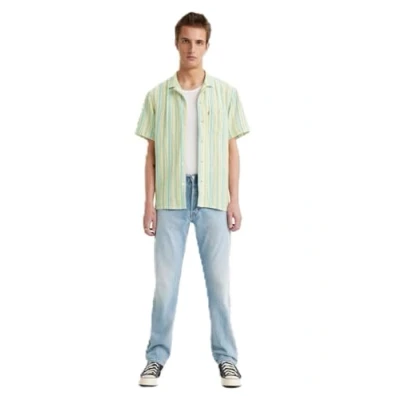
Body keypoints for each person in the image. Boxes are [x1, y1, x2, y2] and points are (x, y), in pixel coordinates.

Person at [134, 11, 250, 388]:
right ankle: (155, 358)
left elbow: (232, 151)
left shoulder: (226, 94)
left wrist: (235, 200)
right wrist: (148, 204)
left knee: (219, 285)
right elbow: (150, 156)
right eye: (186, 40)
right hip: (170, 198)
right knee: (165, 286)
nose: (192, 48)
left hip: (214, 196)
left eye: (199, 42)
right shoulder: (157, 96)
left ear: (207, 46)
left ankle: (227, 359)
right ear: (176, 43)